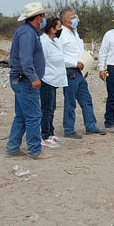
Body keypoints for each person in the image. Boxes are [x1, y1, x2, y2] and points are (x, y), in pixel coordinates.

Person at [6, 1, 49, 159]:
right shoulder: (27, 33)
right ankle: (34, 150)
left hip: (22, 79)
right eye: (42, 16)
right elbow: (25, 59)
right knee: (33, 116)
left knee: (23, 115)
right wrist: (33, 77)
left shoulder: (28, 32)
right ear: (38, 17)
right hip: (25, 80)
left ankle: (12, 147)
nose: (44, 19)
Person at [60, 8, 106, 138]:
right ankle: (69, 129)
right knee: (70, 102)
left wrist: (85, 67)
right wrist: (74, 64)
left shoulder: (75, 33)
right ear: (65, 20)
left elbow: (79, 52)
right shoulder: (61, 34)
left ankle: (91, 126)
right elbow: (59, 56)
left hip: (80, 72)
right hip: (70, 71)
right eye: (72, 17)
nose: (75, 19)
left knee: (86, 99)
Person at [39, 17, 67, 148]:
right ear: (52, 29)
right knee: (46, 108)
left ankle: (50, 132)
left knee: (52, 107)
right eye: (59, 27)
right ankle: (44, 135)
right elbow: (41, 61)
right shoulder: (44, 41)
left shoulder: (55, 41)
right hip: (46, 79)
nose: (61, 29)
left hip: (55, 79)